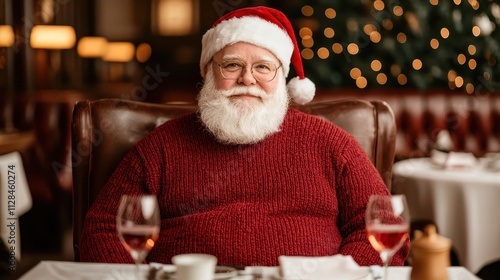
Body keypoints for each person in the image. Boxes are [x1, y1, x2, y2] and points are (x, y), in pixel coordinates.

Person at [79, 6, 409, 266]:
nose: (247, 79)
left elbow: (382, 229)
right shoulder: (161, 146)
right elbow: (103, 231)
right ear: (209, 73)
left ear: (282, 78)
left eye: (263, 67)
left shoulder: (331, 143)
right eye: (232, 66)